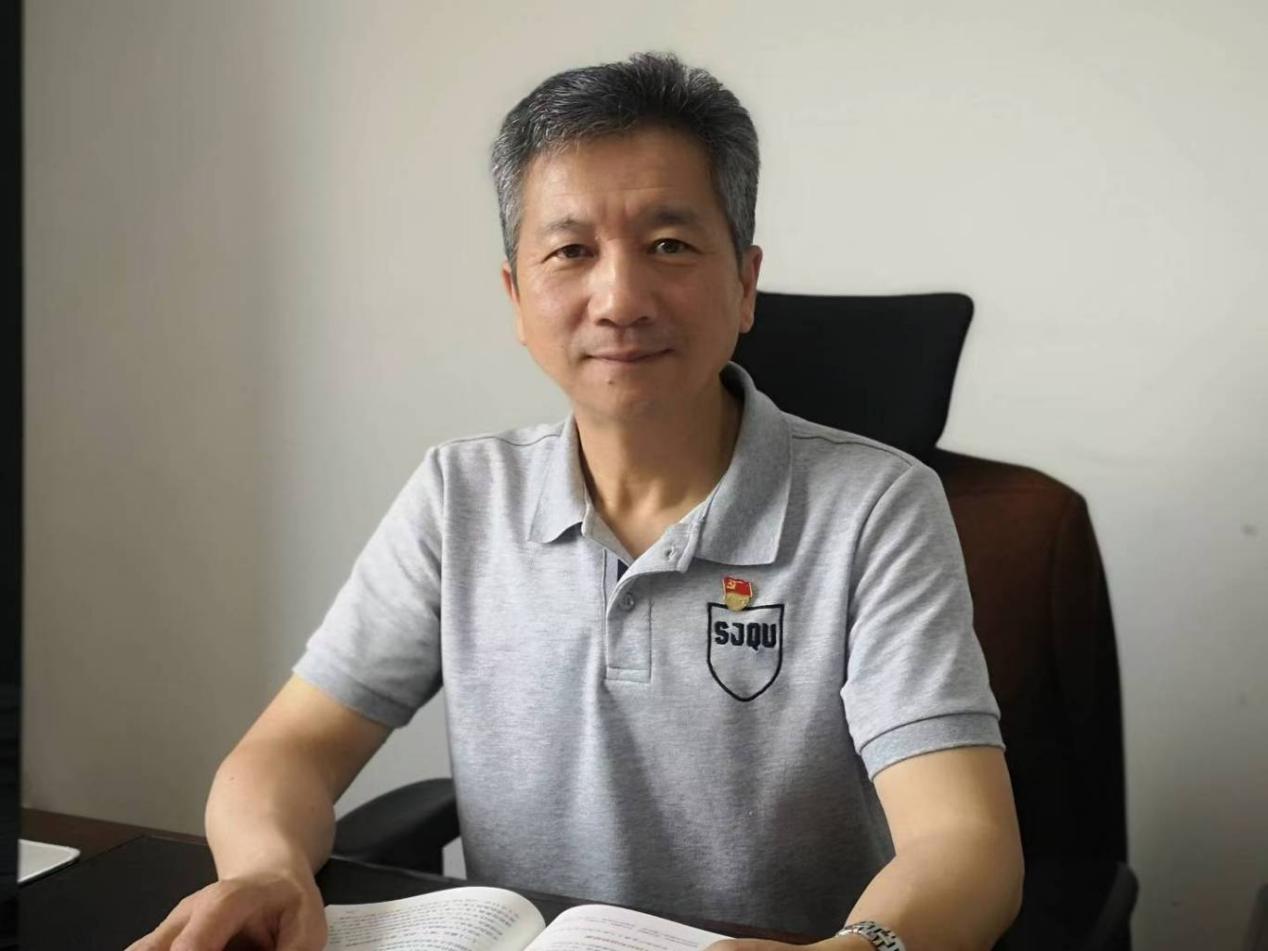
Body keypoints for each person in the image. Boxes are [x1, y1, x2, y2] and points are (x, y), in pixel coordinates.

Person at [130, 52, 1023, 951]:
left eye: (669, 245)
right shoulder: (460, 496)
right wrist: (266, 868)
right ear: (517, 299)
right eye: (570, 252)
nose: (620, 299)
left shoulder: (876, 508)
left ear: (745, 283)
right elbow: (286, 749)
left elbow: (965, 840)